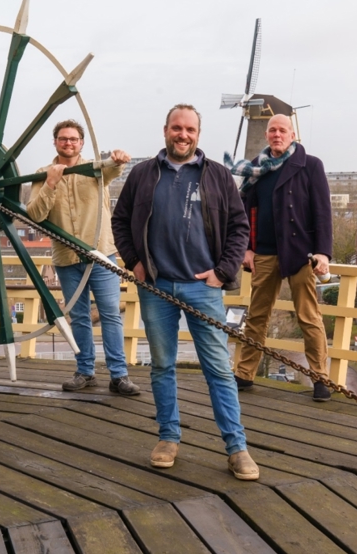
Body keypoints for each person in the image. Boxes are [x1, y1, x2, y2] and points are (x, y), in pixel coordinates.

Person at [112, 104, 259, 480]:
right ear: (165, 131)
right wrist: (135, 262)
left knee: (219, 370)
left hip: (203, 286)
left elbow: (240, 228)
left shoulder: (219, 177)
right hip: (156, 286)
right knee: (162, 366)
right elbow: (121, 219)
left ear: (198, 133)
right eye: (176, 128)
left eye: (190, 129)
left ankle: (236, 447)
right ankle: (168, 437)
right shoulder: (143, 174)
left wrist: (223, 271)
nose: (183, 135)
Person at [27, 120, 140, 396]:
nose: (68, 143)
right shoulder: (43, 174)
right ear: (55, 142)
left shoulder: (95, 170)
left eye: (73, 139)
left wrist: (119, 159)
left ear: (81, 143)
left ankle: (119, 375)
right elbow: (35, 215)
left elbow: (113, 168)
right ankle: (85, 371)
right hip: (67, 258)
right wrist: (51, 183)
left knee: (111, 315)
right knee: (79, 316)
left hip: (101, 254)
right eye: (63, 139)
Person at [227, 114, 333, 401]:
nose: (277, 134)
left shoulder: (310, 166)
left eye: (282, 130)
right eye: (272, 130)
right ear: (266, 135)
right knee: (257, 315)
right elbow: (245, 213)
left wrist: (323, 252)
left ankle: (320, 378)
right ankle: (245, 373)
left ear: (292, 134)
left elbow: (322, 212)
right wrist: (246, 249)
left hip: (301, 253)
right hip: (264, 252)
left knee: (308, 317)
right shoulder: (256, 171)